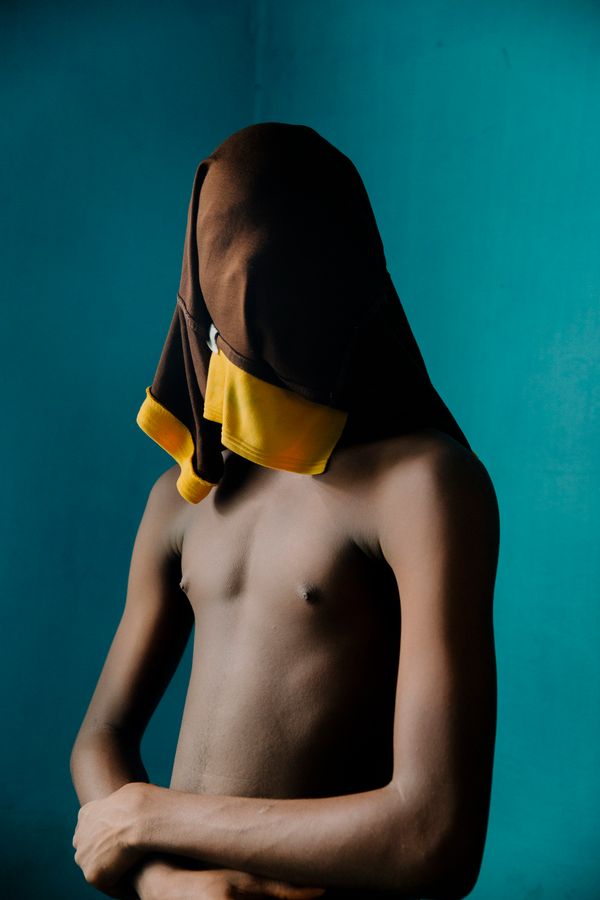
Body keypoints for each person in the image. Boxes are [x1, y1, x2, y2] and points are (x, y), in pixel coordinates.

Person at [70, 122, 499, 900]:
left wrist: (151, 817)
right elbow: (101, 734)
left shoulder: (424, 487)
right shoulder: (183, 497)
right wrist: (166, 884)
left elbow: (435, 836)